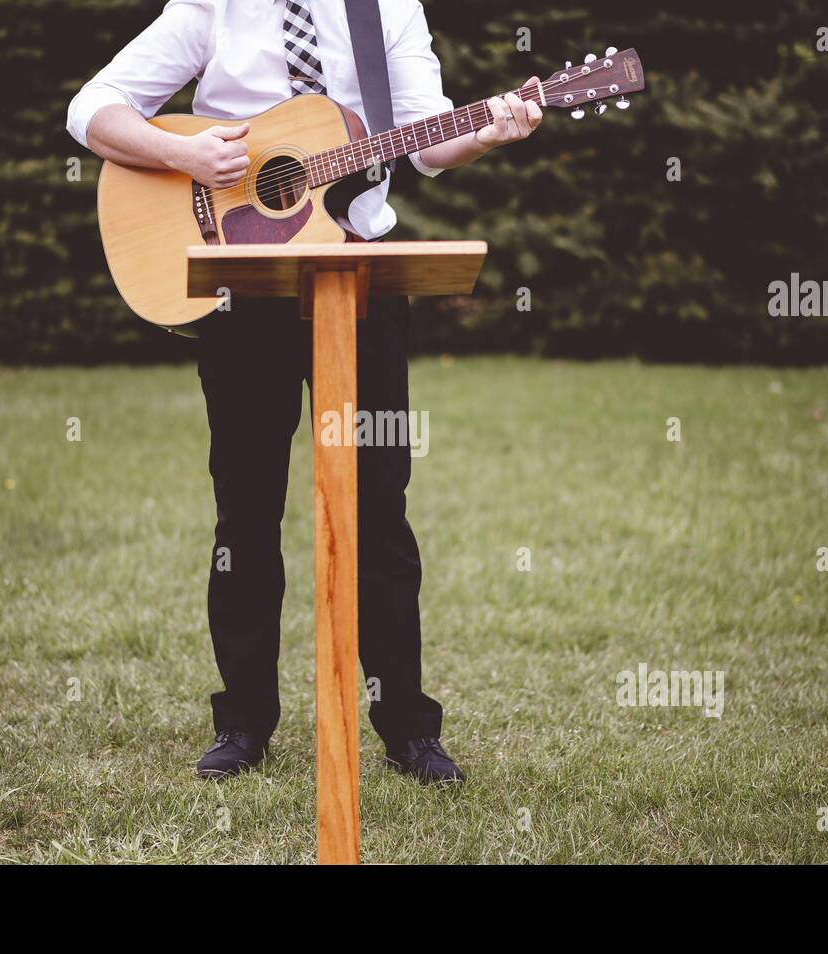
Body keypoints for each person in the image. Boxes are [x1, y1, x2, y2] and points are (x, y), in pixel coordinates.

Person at [67, 0, 542, 784]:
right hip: (238, 288)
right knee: (246, 507)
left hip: (360, 276)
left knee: (379, 506)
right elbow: (92, 108)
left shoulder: (387, 8)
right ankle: (244, 724)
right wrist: (181, 156)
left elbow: (427, 141)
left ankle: (407, 729)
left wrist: (487, 128)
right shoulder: (213, 5)